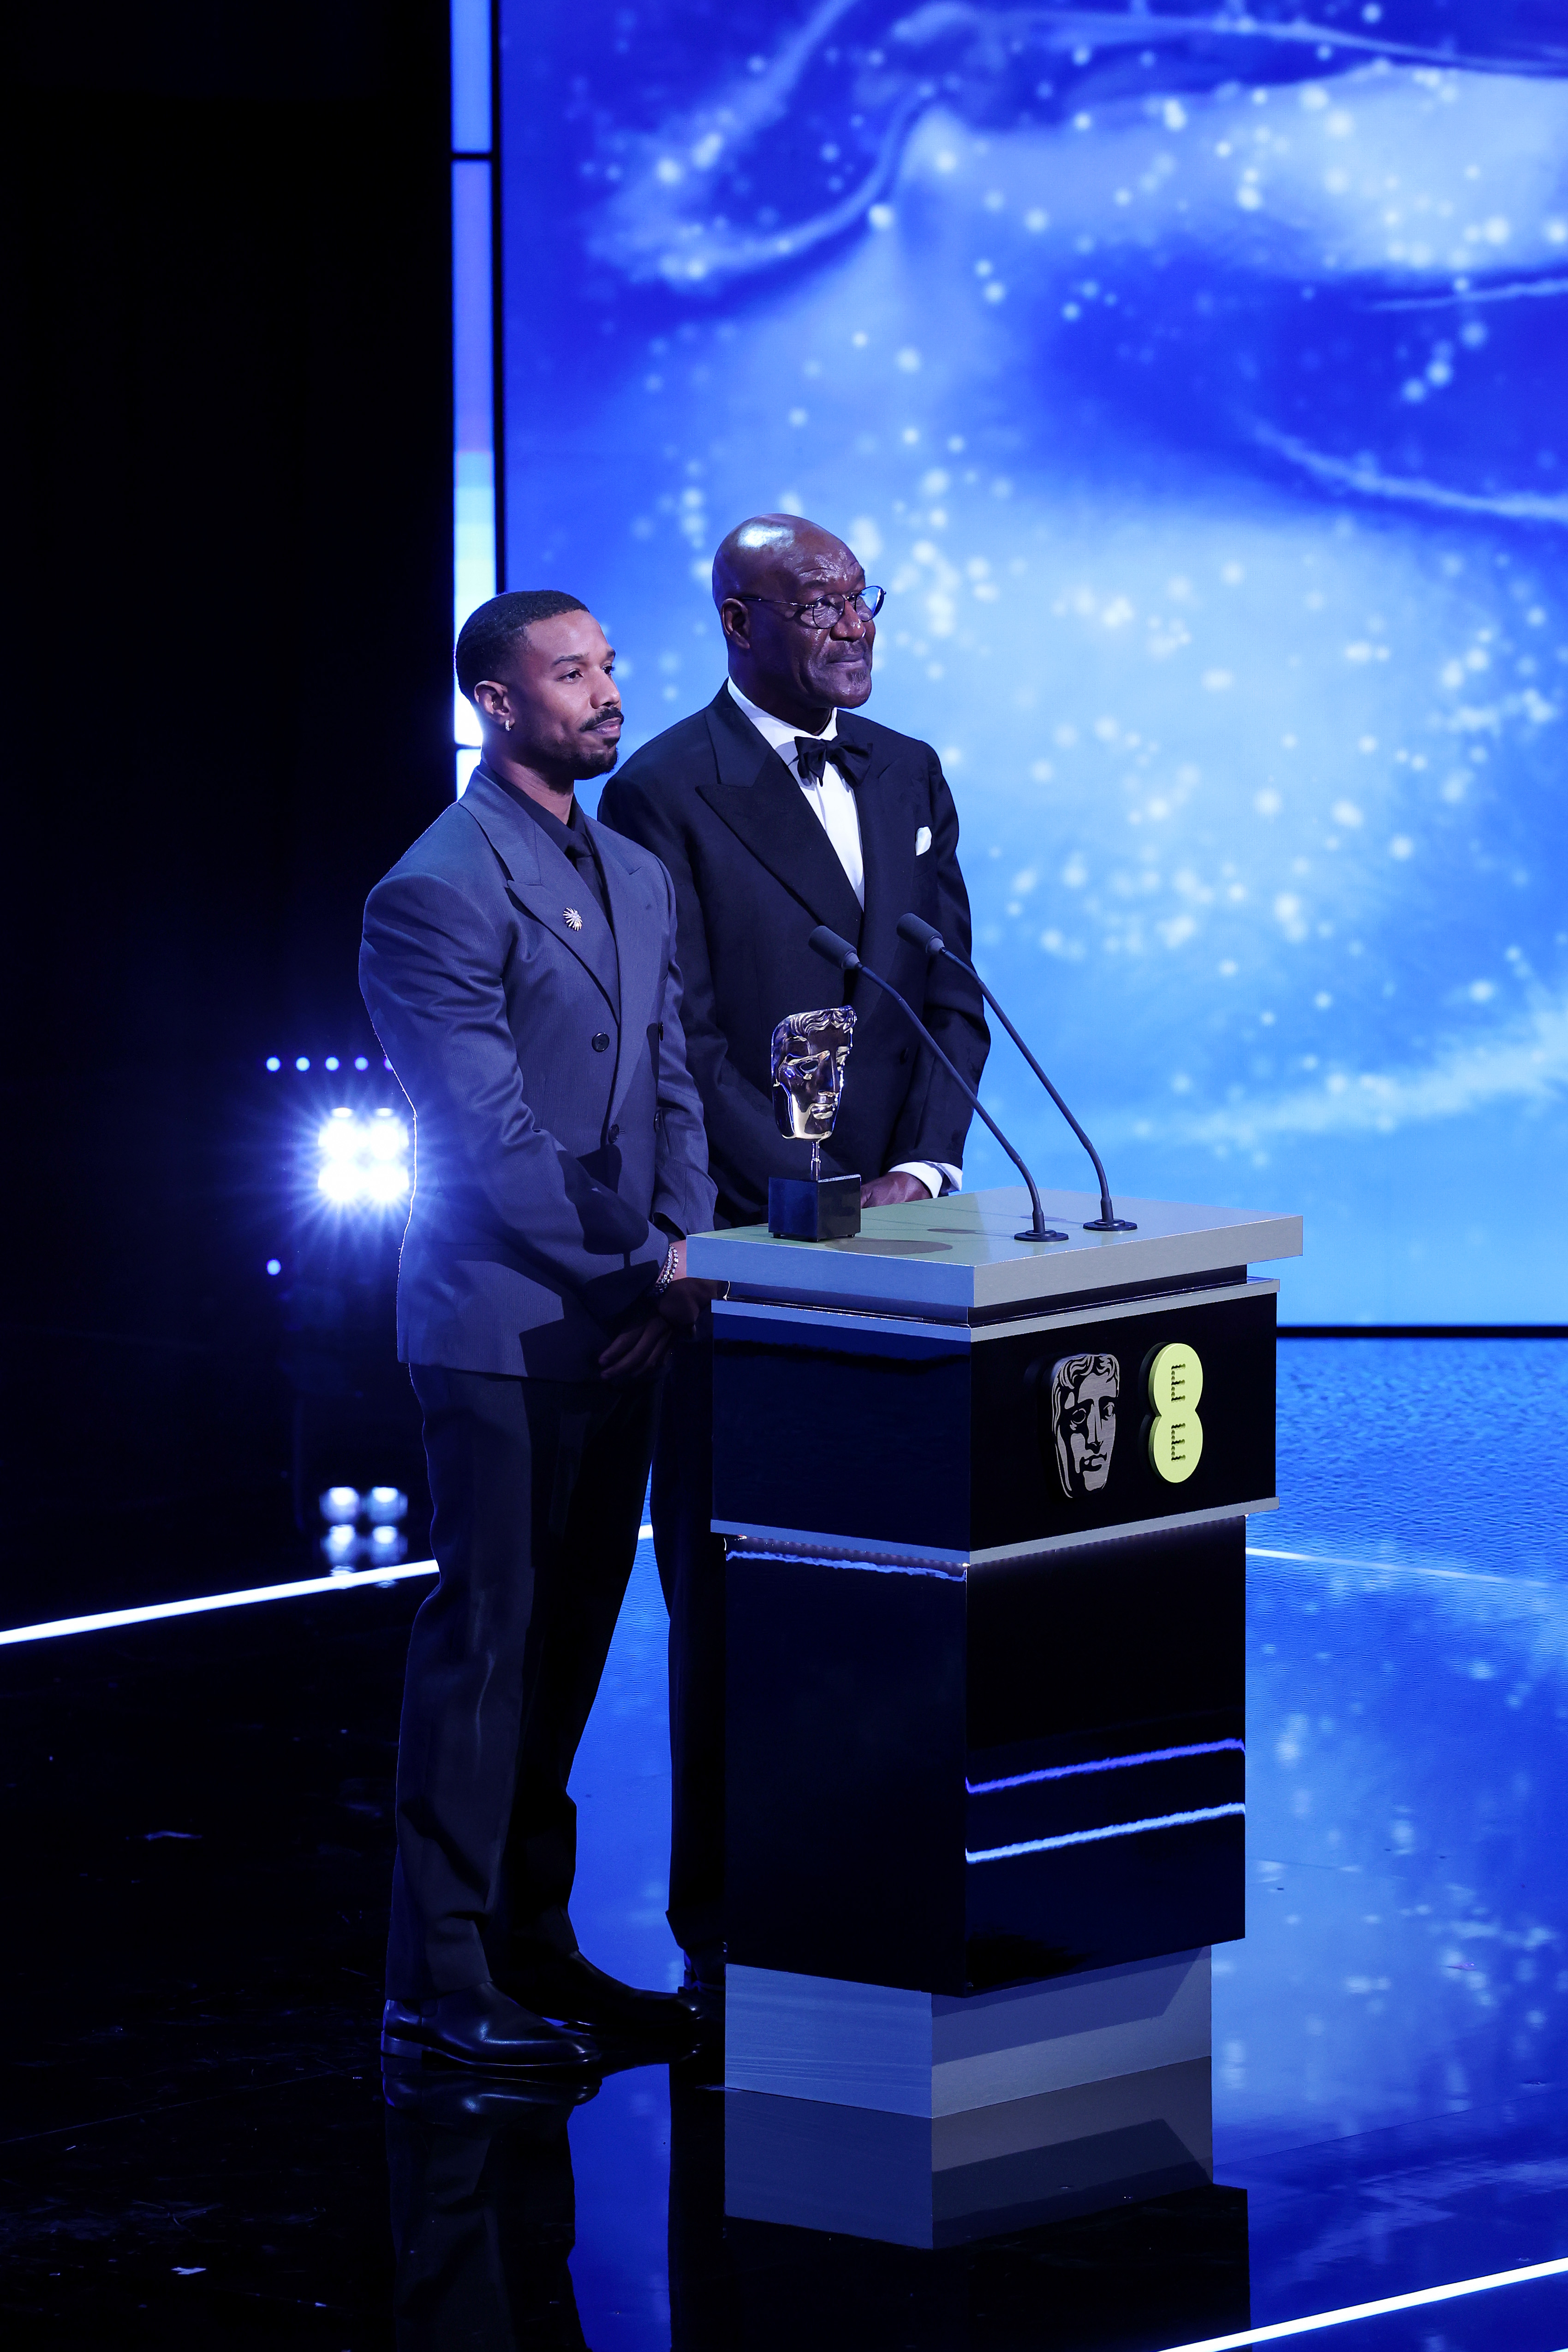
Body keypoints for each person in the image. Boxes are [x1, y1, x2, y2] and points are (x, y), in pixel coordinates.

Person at [597, 513, 990, 2001]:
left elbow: (952, 988)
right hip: (757, 1256)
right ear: (738, 619)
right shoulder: (664, 791)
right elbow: (678, 1033)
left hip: (915, 1242)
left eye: (859, 597)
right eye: (815, 601)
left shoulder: (912, 771)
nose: (850, 623)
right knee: (745, 1603)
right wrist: (809, 1196)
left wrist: (927, 1165)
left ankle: (894, 1902)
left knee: (908, 1594)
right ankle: (731, 1936)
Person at [361, 588, 718, 2073]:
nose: (605, 691)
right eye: (571, 674)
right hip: (504, 1327)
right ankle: (437, 1986)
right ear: (497, 703)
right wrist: (644, 1267)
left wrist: (692, 1257)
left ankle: (534, 1946)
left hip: (631, 1317)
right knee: (489, 1652)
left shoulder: (633, 869)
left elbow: (675, 1082)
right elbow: (488, 1141)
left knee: (569, 1650)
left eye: (610, 666)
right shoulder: (436, 888)